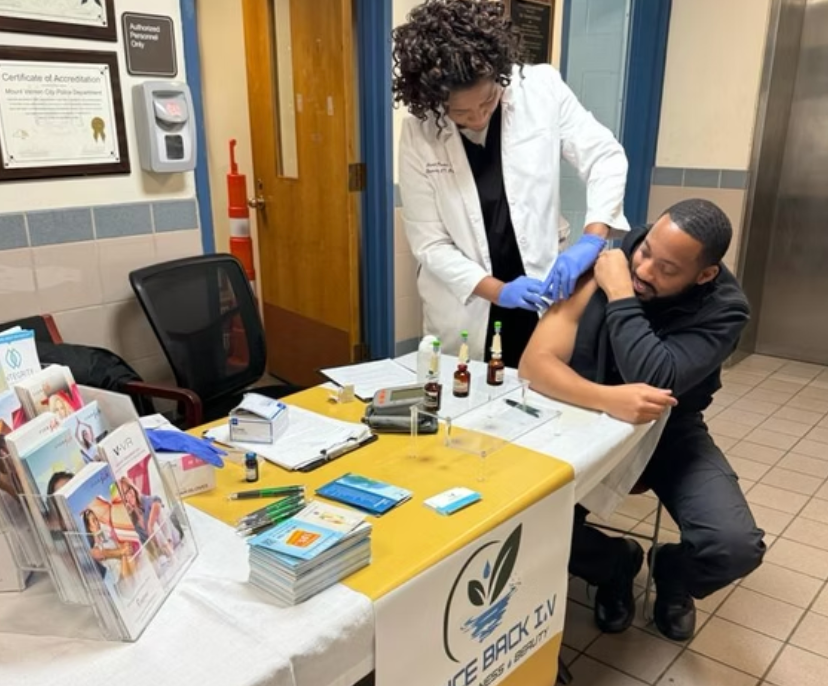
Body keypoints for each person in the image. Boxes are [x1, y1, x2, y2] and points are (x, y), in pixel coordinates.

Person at [518, 198, 766, 641]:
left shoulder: (726, 307)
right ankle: (616, 565)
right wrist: (606, 398)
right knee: (527, 521)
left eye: (668, 269)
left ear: (704, 275)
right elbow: (535, 364)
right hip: (583, 421)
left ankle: (672, 573)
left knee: (734, 547)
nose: (646, 269)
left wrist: (619, 293)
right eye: (646, 250)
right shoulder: (607, 260)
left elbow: (653, 376)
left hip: (669, 431)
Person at [394, 0, 629, 366]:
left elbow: (604, 156)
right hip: (470, 302)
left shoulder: (541, 90)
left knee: (538, 393)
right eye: (460, 112)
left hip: (541, 290)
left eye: (487, 101)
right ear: (436, 102)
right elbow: (430, 243)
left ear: (500, 73)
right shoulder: (419, 133)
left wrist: (592, 238)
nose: (477, 117)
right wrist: (499, 291)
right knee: (465, 394)